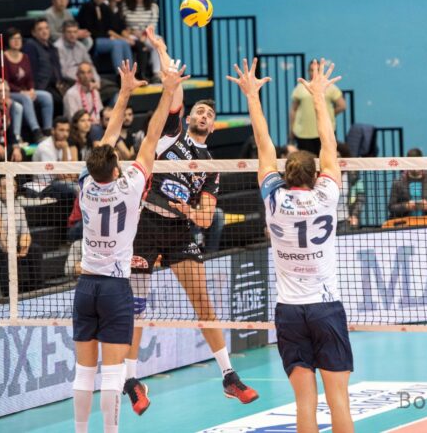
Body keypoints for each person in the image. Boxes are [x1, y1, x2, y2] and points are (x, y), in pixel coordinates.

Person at [124, 27, 258, 415]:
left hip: (179, 230)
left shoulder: (211, 166)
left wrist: (185, 209)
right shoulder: (171, 135)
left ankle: (229, 376)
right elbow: (174, 90)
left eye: (210, 114)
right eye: (200, 110)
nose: (203, 114)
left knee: (202, 301)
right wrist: (161, 48)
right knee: (136, 306)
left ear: (213, 127)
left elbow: (205, 216)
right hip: (145, 226)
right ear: (190, 117)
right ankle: (132, 381)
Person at [228, 57, 354, 433]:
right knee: (339, 400)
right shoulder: (327, 194)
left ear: (285, 176)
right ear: (316, 175)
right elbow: (329, 143)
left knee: (304, 403)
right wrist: (319, 97)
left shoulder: (273, 198)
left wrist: (252, 96)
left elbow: (264, 146)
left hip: (289, 312)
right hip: (325, 308)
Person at [71, 60, 189, 433]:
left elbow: (105, 143)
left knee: (83, 372)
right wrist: (167, 90)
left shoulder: (86, 185)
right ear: (115, 169)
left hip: (86, 286)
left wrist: (123, 93)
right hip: (115, 288)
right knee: (112, 373)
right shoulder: (132, 184)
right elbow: (152, 136)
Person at [0, 177, 43, 295]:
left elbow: (25, 233)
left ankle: (37, 289)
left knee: (35, 250)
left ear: (15, 190)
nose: (8, 191)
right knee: (6, 256)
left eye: (11, 187)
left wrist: (24, 247)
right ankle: (7, 295)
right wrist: (8, 248)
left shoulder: (18, 207)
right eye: (4, 187)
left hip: (10, 246)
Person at [3, 27, 54, 143]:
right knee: (25, 98)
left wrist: (31, 89)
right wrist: (22, 92)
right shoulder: (3, 58)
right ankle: (36, 131)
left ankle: (47, 130)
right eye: (13, 39)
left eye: (19, 38)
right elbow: (5, 82)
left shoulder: (25, 56)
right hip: (10, 92)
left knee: (46, 96)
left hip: (25, 91)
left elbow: (30, 78)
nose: (17, 41)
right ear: (7, 41)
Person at [289, 59, 346, 156]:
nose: (314, 72)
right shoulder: (300, 88)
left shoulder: (330, 87)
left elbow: (342, 105)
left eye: (317, 70)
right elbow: (293, 109)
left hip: (325, 132)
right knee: (307, 162)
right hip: (303, 134)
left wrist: (328, 115)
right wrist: (291, 129)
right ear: (308, 71)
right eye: (312, 70)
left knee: (327, 158)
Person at [77, 0, 133, 78]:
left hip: (105, 38)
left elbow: (110, 26)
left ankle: (130, 74)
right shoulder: (86, 7)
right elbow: (88, 29)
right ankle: (120, 76)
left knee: (124, 43)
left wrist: (120, 36)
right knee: (116, 44)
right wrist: (108, 36)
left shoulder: (105, 7)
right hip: (93, 40)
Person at [23, 18, 72, 116]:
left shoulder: (52, 47)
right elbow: (31, 70)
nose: (44, 31)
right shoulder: (31, 46)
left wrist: (60, 82)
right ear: (34, 33)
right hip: (43, 85)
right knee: (58, 100)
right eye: (40, 29)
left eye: (46, 28)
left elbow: (57, 68)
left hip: (56, 84)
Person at [388, 147, 427, 218]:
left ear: (422, 162)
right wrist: (406, 206)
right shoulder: (397, 183)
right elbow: (391, 207)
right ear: (407, 163)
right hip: (405, 223)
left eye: (417, 162)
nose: (415, 166)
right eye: (412, 163)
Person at [122, 0, 160, 82]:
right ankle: (135, 73)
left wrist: (144, 35)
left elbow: (152, 24)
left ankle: (156, 73)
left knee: (158, 43)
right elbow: (123, 25)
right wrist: (134, 33)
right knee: (135, 43)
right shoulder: (125, 6)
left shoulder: (153, 7)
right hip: (131, 35)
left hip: (147, 34)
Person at [31, 116, 78, 199]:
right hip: (43, 186)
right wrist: (64, 150)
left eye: (67, 130)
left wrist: (64, 149)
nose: (65, 134)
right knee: (75, 190)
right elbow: (62, 175)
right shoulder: (45, 148)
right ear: (53, 131)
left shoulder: (64, 144)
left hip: (58, 183)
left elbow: (72, 174)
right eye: (61, 130)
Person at [63, 62, 103, 140]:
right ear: (77, 75)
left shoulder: (95, 92)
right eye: (82, 73)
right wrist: (90, 122)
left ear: (92, 75)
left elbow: (100, 111)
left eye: (89, 72)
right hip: (79, 128)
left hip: (96, 124)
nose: (86, 76)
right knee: (96, 129)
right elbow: (73, 118)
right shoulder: (71, 94)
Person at [336, 142, 365, 232]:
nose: (336, 160)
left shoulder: (353, 176)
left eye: (338, 157)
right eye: (333, 157)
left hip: (345, 220)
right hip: (327, 220)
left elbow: (360, 198)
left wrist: (354, 215)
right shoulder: (323, 176)